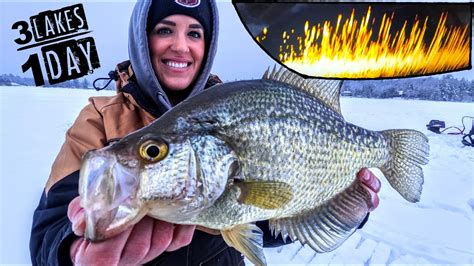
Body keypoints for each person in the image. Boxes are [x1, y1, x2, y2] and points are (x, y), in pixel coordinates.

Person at [29, 0, 382, 265]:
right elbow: (49, 228)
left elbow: (267, 222)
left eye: (194, 33)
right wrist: (71, 249)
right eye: (165, 29)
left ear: (207, 45)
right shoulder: (100, 118)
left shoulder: (237, 105)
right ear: (142, 38)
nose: (180, 46)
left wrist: (343, 208)